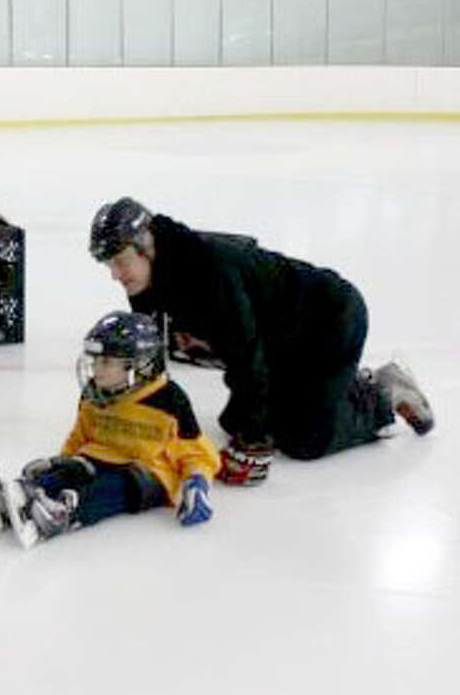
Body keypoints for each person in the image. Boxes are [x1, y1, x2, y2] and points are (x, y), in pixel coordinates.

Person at [88, 196, 434, 485]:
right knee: (235, 422)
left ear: (147, 247)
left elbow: (246, 357)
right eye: (110, 265)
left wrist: (254, 442)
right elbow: (152, 354)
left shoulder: (211, 273)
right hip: (277, 339)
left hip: (330, 322)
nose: (116, 275)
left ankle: (384, 395)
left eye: (121, 262)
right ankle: (336, 391)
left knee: (304, 440)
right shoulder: (145, 283)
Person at [0, 311, 218, 548]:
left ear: (138, 365)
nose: (96, 368)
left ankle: (63, 515)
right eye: (95, 360)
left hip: (147, 473)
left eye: (106, 361)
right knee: (75, 470)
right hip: (100, 457)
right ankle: (18, 499)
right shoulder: (94, 394)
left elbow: (198, 452)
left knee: (115, 485)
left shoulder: (169, 400)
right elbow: (81, 436)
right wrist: (61, 462)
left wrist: (197, 483)